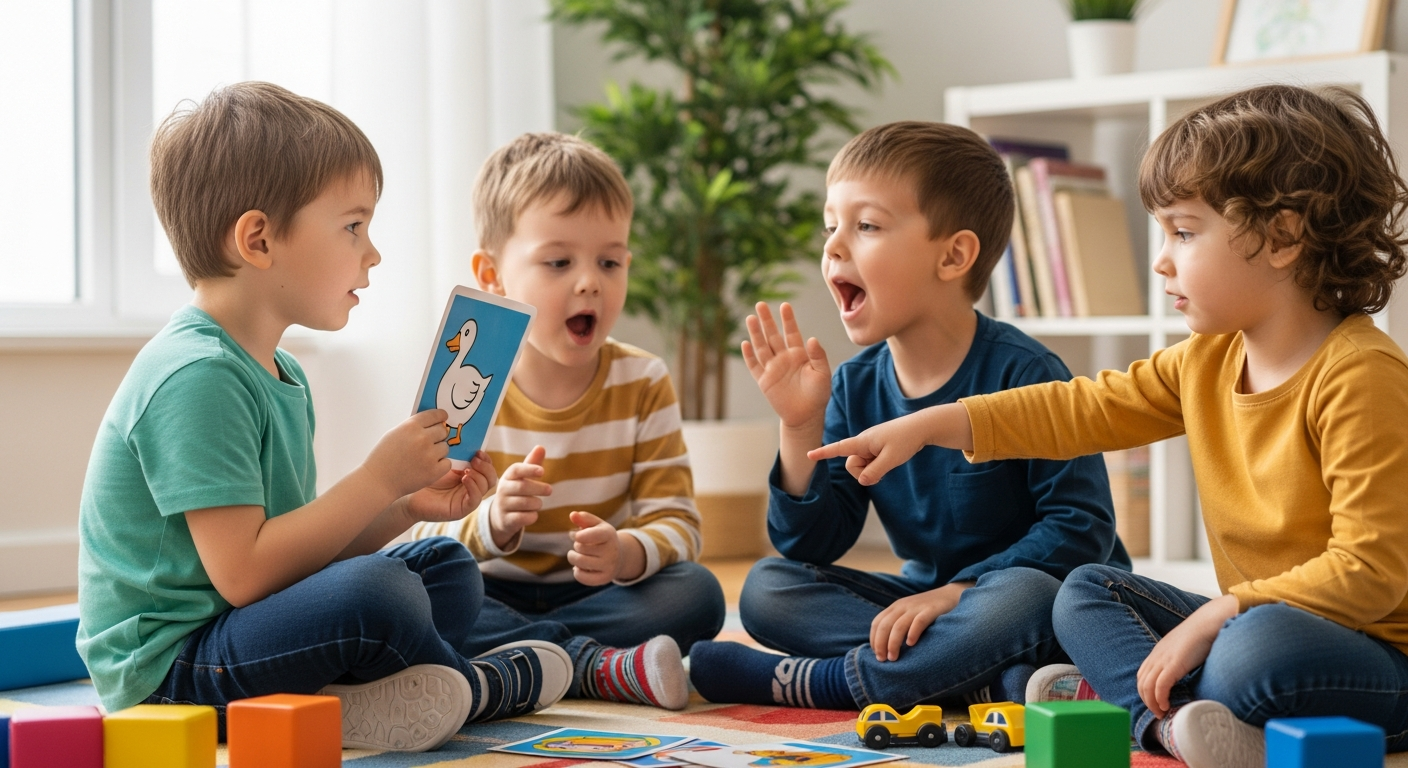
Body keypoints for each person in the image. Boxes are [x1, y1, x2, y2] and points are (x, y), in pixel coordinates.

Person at [810, 85, 1408, 768]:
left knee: (1253, 649)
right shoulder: (1206, 359)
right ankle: (1171, 726)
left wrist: (1222, 612)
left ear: (1283, 237)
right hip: (1252, 621)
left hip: (1371, 654)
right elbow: (1081, 407)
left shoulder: (1361, 376)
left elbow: (1370, 573)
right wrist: (933, 423)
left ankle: (1149, 693)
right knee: (1086, 589)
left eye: (1183, 232)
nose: (1161, 260)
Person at [76, 82, 571, 754]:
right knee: (378, 593)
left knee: (445, 567)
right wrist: (373, 478)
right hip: (170, 672)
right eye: (353, 226)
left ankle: (353, 700)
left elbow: (296, 559)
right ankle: (472, 684)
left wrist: (401, 504)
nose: (373, 253)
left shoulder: (280, 372)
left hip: (239, 631)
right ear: (258, 239)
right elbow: (247, 574)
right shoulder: (196, 377)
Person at [687, 121, 1129, 711]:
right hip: (926, 603)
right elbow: (811, 543)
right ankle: (972, 675)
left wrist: (960, 592)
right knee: (769, 588)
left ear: (953, 256)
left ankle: (830, 683)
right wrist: (799, 427)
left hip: (1030, 598)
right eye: (831, 225)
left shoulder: (1028, 374)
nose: (834, 246)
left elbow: (1082, 529)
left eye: (865, 226)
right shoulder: (854, 383)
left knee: (1022, 595)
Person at [410, 132, 725, 711]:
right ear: (492, 275)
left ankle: (533, 660)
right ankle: (594, 666)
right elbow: (416, 531)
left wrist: (627, 551)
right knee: (414, 593)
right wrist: (491, 525)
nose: (589, 281)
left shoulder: (643, 381)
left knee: (697, 595)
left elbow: (678, 522)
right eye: (559, 262)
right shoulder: (463, 384)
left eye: (610, 261)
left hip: (602, 596)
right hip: (487, 591)